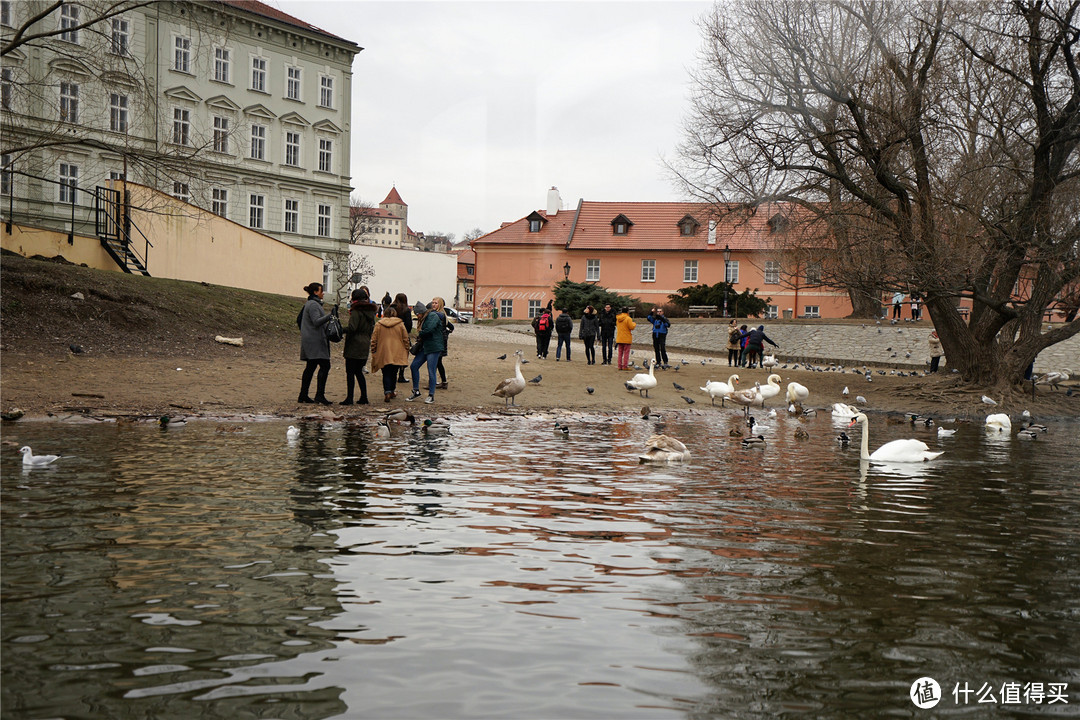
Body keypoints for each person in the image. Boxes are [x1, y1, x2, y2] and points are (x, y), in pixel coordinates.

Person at [297, 282, 334, 405]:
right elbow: (316, 321)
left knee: (311, 367)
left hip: (311, 340)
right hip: (316, 341)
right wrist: (330, 316)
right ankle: (319, 395)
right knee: (325, 365)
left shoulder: (310, 303)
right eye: (321, 290)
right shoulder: (313, 305)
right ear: (315, 292)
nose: (323, 293)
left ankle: (303, 395)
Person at [341, 287, 377, 405]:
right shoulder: (371, 313)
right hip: (364, 343)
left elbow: (352, 328)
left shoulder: (356, 311)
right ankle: (364, 397)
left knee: (350, 372)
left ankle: (349, 398)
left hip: (354, 344)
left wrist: (341, 330)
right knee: (359, 372)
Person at [406, 297, 447, 404]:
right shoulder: (425, 318)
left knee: (431, 370)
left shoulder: (432, 316)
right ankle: (416, 391)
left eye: (417, 314)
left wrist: (420, 334)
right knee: (414, 366)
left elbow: (430, 329)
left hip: (434, 347)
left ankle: (431, 395)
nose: (417, 316)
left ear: (421, 312)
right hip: (425, 346)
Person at [370, 306, 410, 402]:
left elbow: (374, 339)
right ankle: (392, 390)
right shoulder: (400, 324)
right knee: (394, 372)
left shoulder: (379, 324)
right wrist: (407, 349)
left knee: (386, 372)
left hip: (383, 351)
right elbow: (405, 338)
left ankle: (387, 391)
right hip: (397, 351)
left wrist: (373, 350)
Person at [392, 293, 412, 382]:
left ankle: (392, 374)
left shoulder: (391, 308)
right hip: (402, 335)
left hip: (391, 335)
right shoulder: (406, 310)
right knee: (403, 355)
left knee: (392, 354)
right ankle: (401, 374)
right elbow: (409, 325)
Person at [436, 312, 454, 389]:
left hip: (439, 342)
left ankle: (442, 381)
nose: (433, 304)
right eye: (433, 303)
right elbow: (451, 327)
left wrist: (446, 333)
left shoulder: (440, 315)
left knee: (437, 362)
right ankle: (443, 381)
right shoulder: (441, 315)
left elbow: (451, 326)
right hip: (440, 341)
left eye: (435, 303)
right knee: (437, 362)